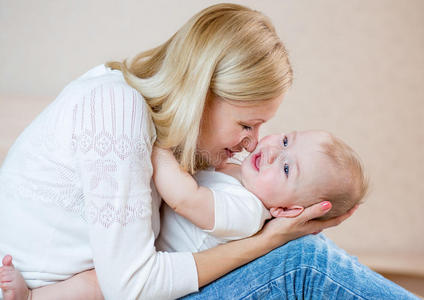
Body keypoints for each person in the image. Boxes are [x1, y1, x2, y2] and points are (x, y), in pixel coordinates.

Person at [0, 3, 418, 300]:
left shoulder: (131, 106)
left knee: (301, 254)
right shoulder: (120, 110)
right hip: (70, 287)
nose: (254, 141)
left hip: (97, 282)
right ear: (202, 92)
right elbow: (131, 287)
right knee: (303, 262)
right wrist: (267, 242)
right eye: (246, 124)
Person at [154, 130, 369, 253]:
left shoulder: (248, 212)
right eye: (285, 141)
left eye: (286, 169)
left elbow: (184, 199)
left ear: (286, 210)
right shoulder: (241, 167)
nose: (273, 152)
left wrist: (158, 144)